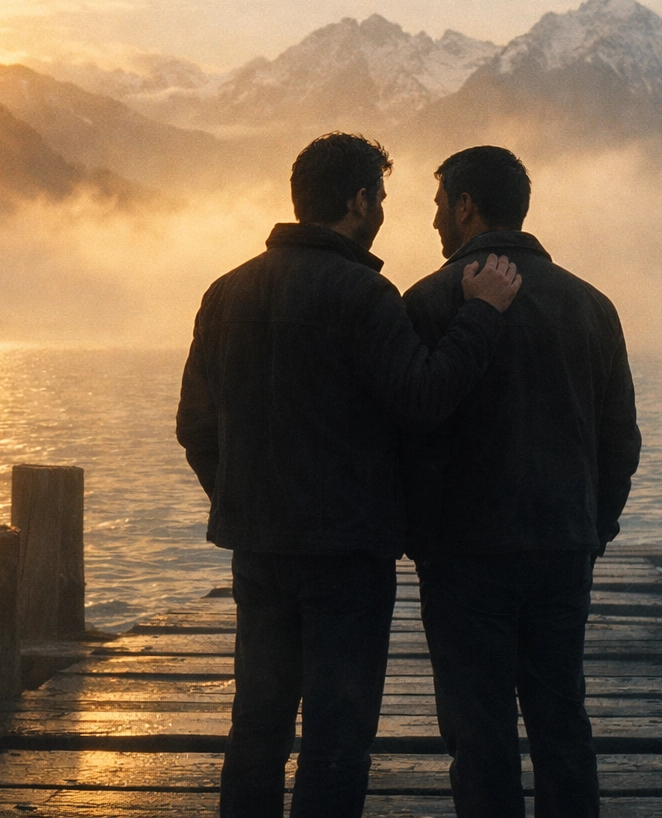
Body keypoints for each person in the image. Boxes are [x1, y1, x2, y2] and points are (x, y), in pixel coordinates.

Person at [176, 132, 523, 818]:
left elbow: (195, 425)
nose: (389, 210)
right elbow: (424, 400)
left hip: (260, 547)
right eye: (385, 197)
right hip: (348, 555)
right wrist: (481, 315)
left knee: (257, 725)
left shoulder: (226, 293)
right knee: (337, 733)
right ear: (360, 200)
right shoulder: (365, 295)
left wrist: (240, 497)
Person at [401, 145, 641, 818]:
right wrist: (593, 528)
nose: (434, 222)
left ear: (466, 206)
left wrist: (423, 535)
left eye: (438, 205)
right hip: (562, 544)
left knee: (477, 731)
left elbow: (408, 435)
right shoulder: (591, 305)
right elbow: (620, 438)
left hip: (463, 553)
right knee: (561, 718)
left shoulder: (428, 301)